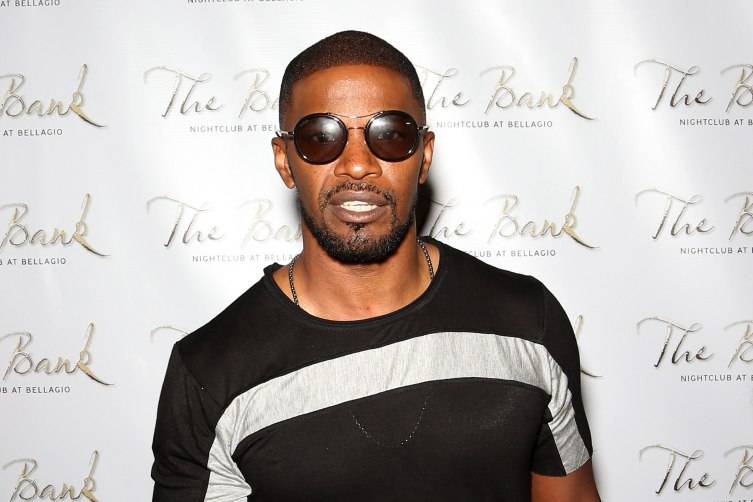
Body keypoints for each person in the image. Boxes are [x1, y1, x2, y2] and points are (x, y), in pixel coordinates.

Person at [151, 30, 601, 502]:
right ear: (284, 162)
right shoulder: (210, 371)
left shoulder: (527, 321)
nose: (357, 165)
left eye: (389, 134)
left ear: (424, 156)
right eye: (320, 138)